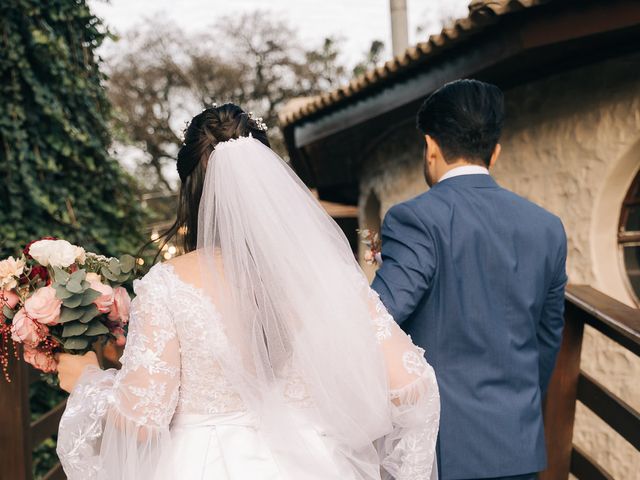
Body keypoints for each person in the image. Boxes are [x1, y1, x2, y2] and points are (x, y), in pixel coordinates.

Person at [55, 103, 440, 480]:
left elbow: (142, 419)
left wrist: (88, 381)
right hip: (320, 464)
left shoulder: (168, 284)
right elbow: (415, 386)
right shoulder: (325, 278)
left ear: (190, 191)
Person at [372, 79, 567, 480]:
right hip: (519, 445)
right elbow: (548, 338)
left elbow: (378, 319)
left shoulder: (415, 220)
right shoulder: (547, 227)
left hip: (445, 451)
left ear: (430, 147)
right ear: (495, 151)